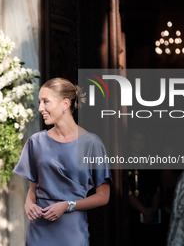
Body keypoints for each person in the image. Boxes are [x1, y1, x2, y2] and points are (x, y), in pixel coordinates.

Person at [13, 77, 111, 246]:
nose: (40, 108)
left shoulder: (91, 144)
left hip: (72, 231)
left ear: (65, 104)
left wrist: (68, 205)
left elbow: (104, 196)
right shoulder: (36, 142)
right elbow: (33, 189)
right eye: (39, 102)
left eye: (46, 102)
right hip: (39, 230)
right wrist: (28, 204)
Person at [126, 131, 163, 246]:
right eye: (135, 140)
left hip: (152, 210)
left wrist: (154, 209)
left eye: (142, 140)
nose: (138, 143)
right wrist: (143, 210)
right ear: (129, 142)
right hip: (132, 212)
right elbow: (126, 191)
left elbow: (158, 187)